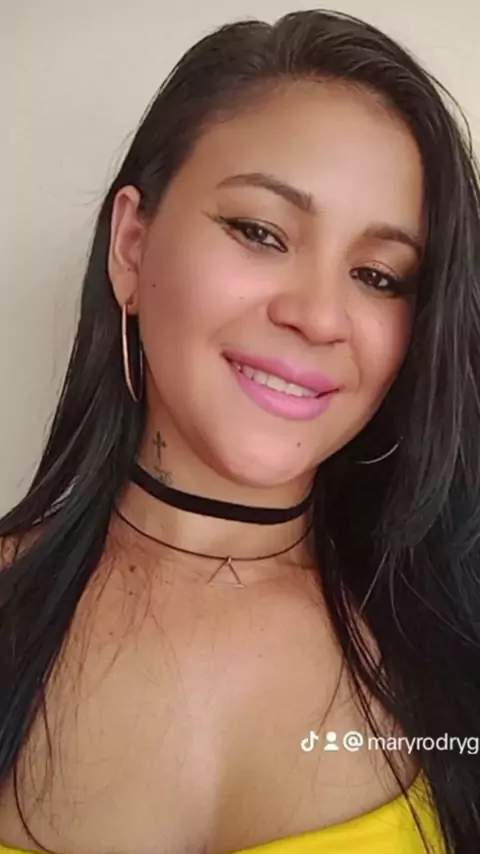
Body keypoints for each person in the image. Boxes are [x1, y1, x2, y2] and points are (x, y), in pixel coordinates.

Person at [0, 7, 479, 853]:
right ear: (132, 245)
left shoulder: (455, 639)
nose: (319, 316)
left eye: (379, 276)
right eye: (261, 232)